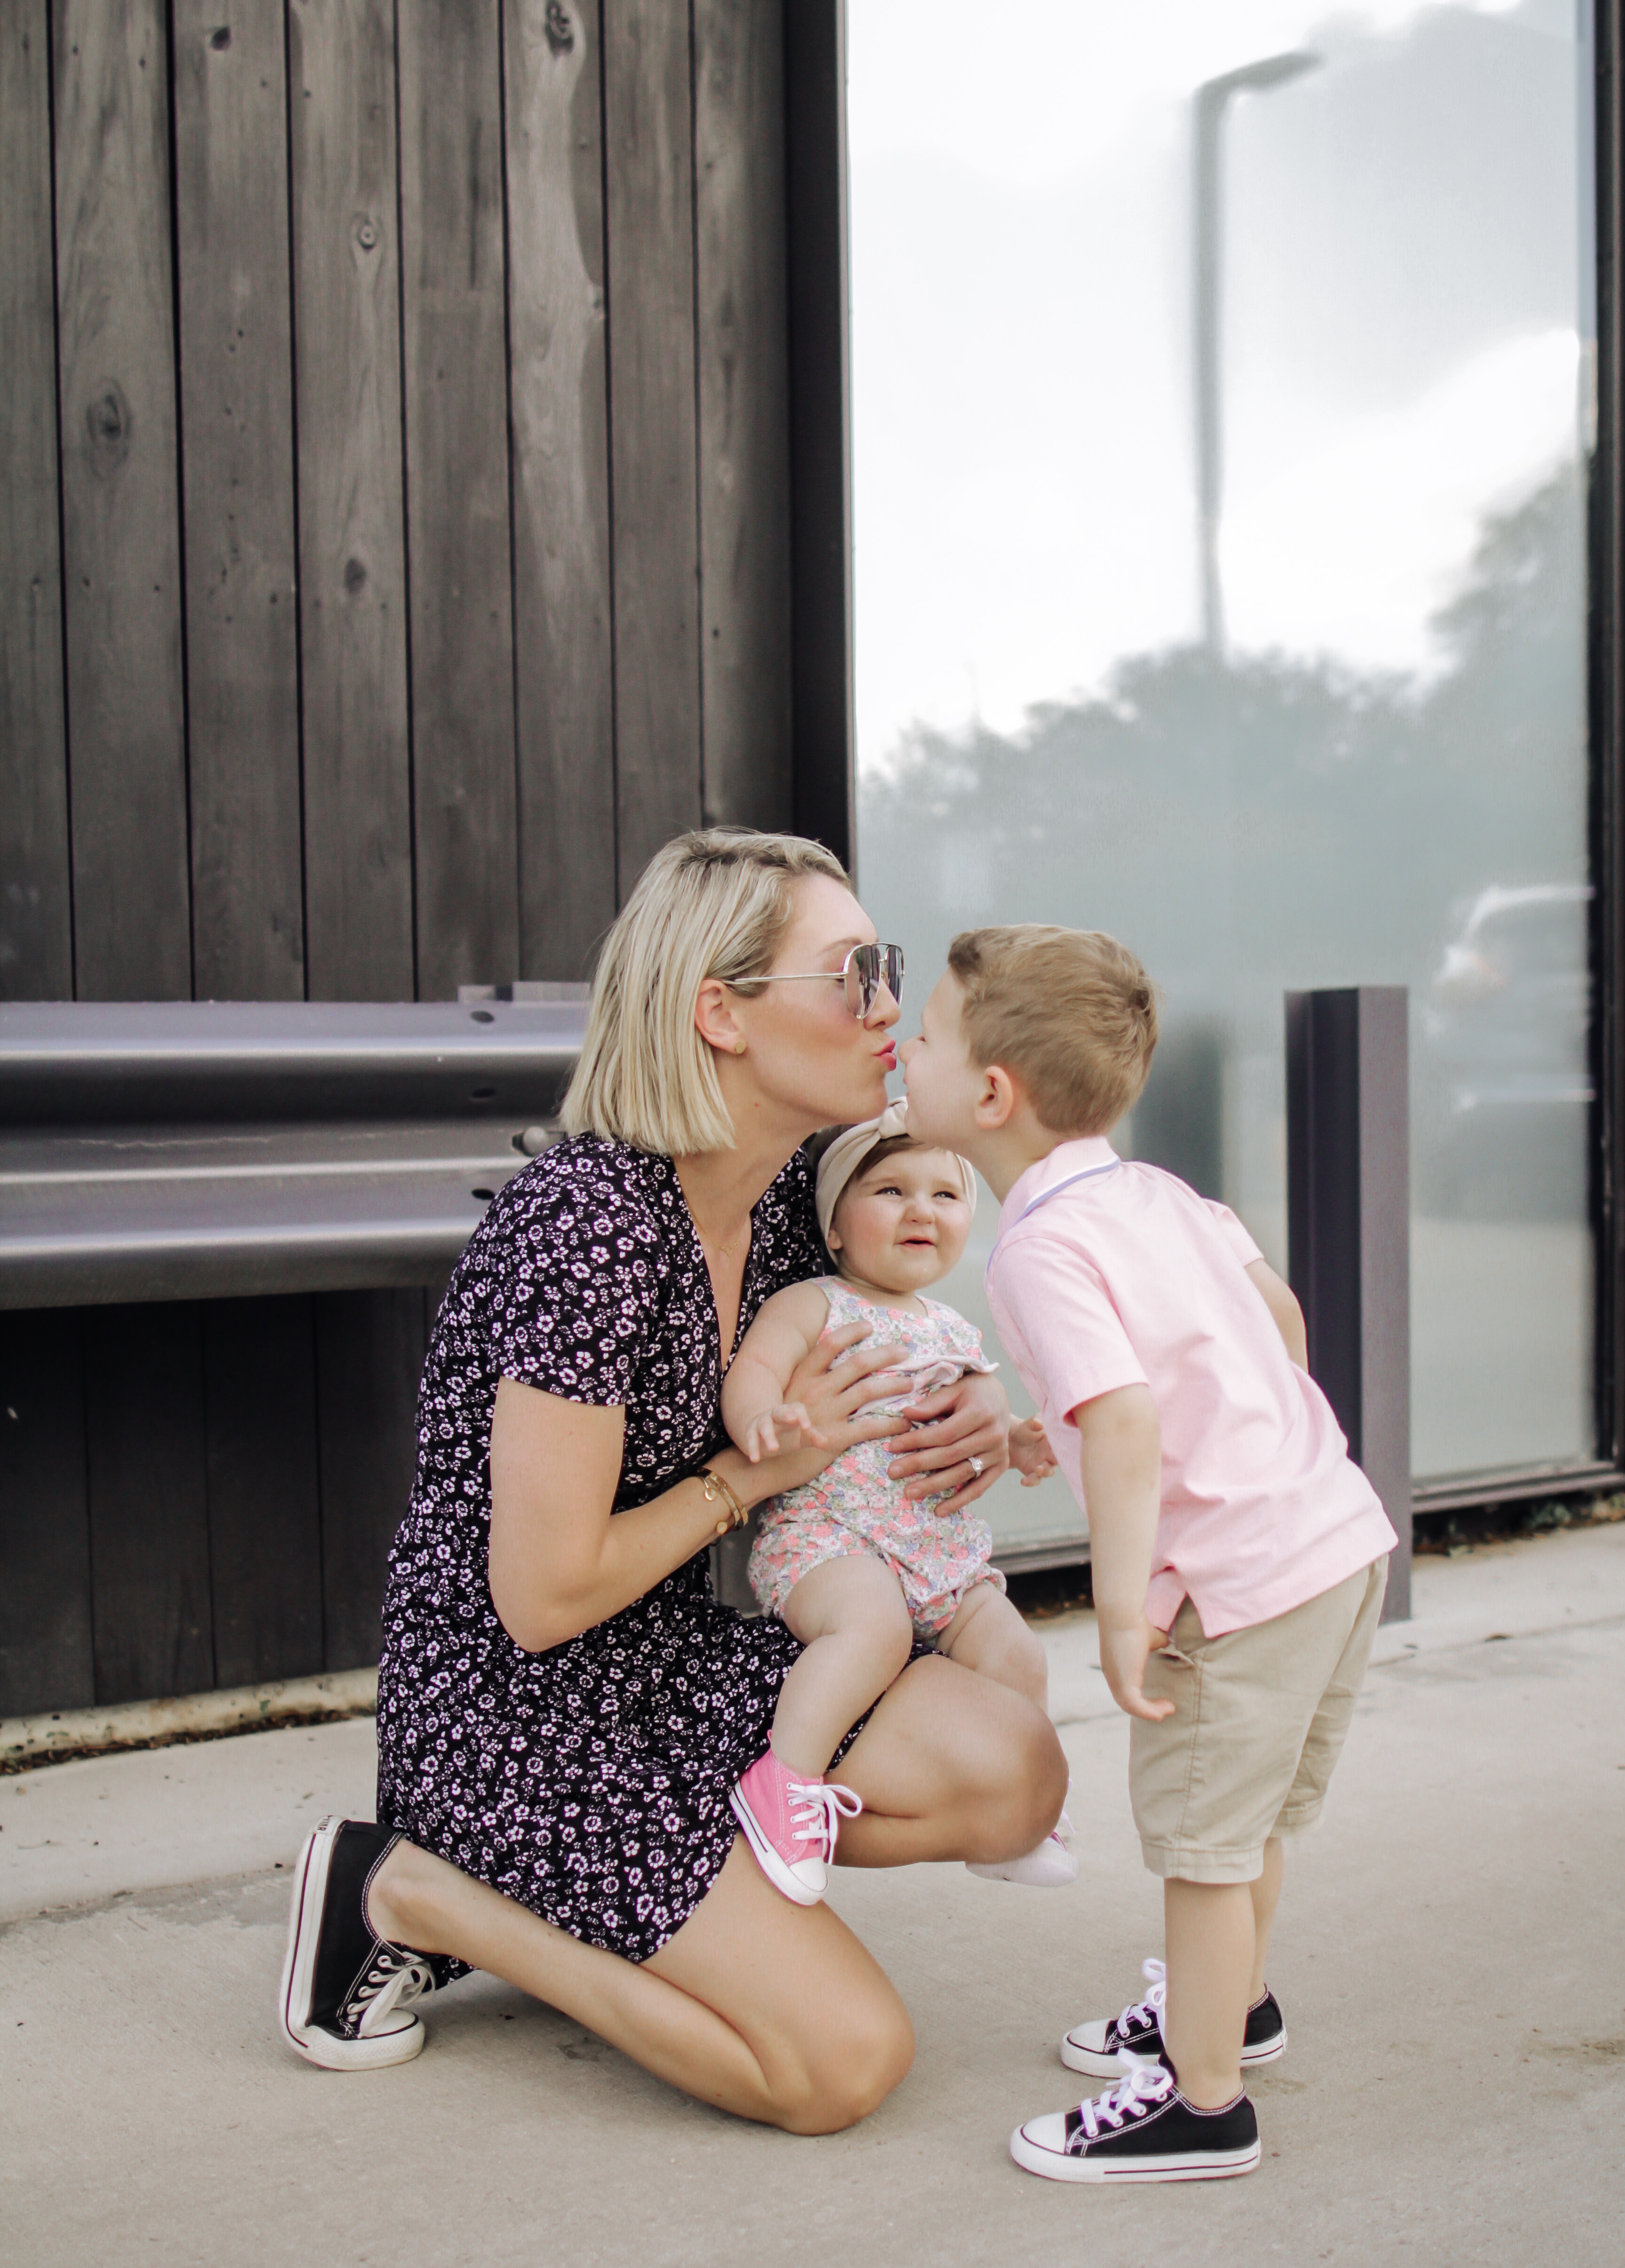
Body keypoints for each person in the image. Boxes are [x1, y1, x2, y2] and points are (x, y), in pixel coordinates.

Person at [278, 831, 1067, 2136]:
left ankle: (651, 1899)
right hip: (511, 1711)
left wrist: (969, 1406)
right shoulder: (590, 1226)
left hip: (665, 1654)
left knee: (1014, 1768)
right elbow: (538, 1601)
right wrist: (752, 1478)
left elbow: (867, 1344)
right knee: (839, 2067)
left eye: (890, 970)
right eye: (851, 974)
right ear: (721, 1014)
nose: (885, 1007)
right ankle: (413, 1891)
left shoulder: (772, 1221)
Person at [899, 924, 1396, 2183]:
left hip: (1228, 1590)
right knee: (1253, 1821)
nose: (907, 1048)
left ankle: (1204, 2102)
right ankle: (1234, 2007)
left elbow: (1123, 1418)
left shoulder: (1038, 1247)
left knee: (1199, 1848)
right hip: (1332, 1539)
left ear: (992, 1095)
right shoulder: (1161, 1192)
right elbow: (1271, 1318)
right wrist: (1054, 1434)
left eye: (929, 1036)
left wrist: (1122, 1607)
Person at [719, 1097, 1071, 1902]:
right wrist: (763, 1418)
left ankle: (1019, 1823)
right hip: (830, 1540)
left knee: (1018, 1655)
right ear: (835, 1227)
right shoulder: (814, 1302)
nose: (922, 1211)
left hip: (935, 1553)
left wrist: (1016, 1442)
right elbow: (757, 1373)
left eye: (945, 1195)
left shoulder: (951, 1327)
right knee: (870, 1629)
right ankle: (786, 1786)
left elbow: (970, 1421)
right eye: (890, 1192)